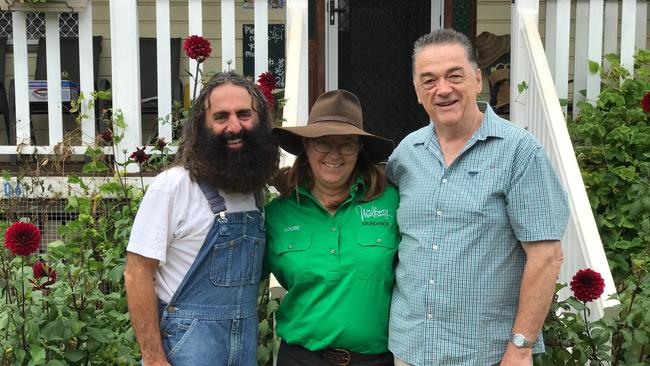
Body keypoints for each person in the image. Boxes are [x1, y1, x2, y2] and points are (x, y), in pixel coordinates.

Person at [386, 29, 569, 366]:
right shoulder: (405, 155)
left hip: (486, 354)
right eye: (428, 81)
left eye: (454, 76)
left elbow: (546, 256)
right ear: (417, 92)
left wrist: (521, 347)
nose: (442, 89)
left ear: (476, 79)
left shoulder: (519, 152)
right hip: (410, 349)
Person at [124, 71, 280, 365]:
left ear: (260, 120)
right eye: (221, 116)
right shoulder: (173, 186)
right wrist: (154, 358)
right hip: (188, 349)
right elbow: (136, 273)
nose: (235, 126)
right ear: (202, 125)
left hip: (243, 346)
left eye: (244, 114)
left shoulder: (255, 191)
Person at [265, 90, 398, 366]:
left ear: (359, 149)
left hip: (376, 360)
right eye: (322, 143)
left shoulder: (392, 202)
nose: (334, 154)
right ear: (306, 146)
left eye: (347, 144)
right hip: (301, 359)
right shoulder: (277, 214)